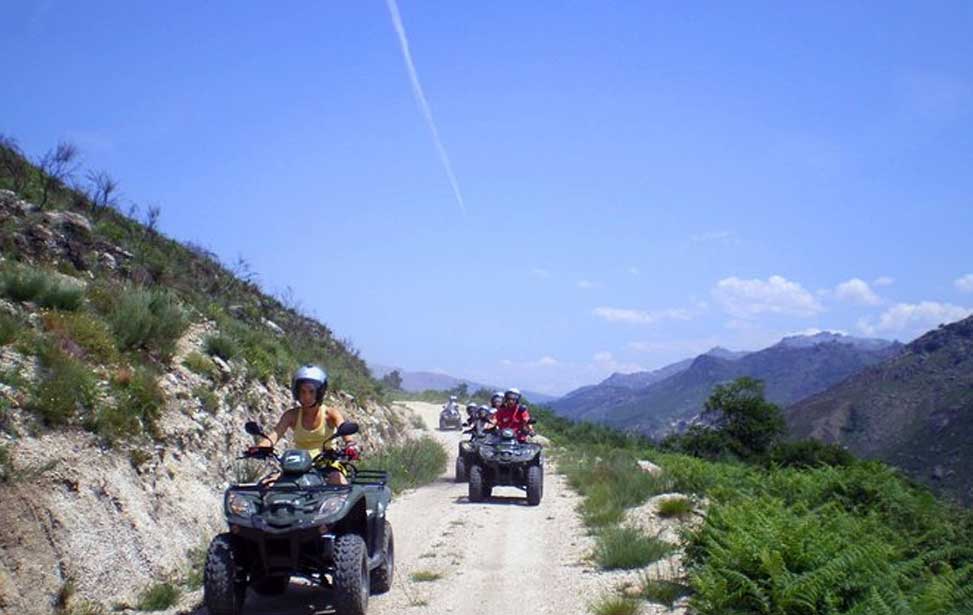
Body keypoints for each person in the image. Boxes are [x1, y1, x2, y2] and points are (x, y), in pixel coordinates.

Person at [251, 364, 358, 485]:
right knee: (267, 485)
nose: (306, 396)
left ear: (320, 392)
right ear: (296, 392)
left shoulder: (330, 414)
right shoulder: (291, 415)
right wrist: (259, 448)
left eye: (311, 392)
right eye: (302, 391)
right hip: (297, 466)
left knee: (339, 484)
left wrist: (350, 445)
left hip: (327, 465)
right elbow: (275, 435)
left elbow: (345, 431)